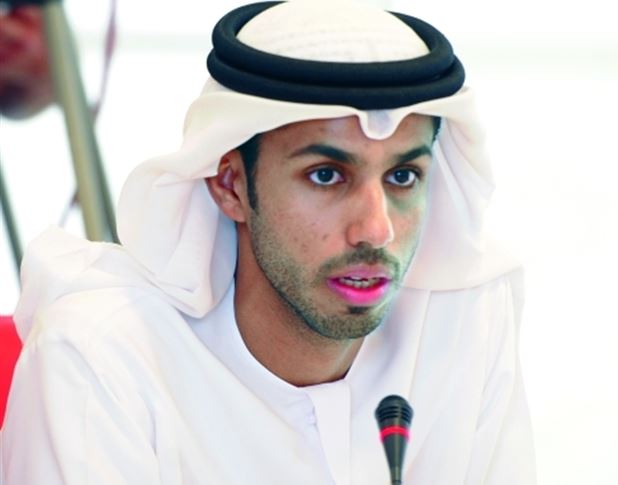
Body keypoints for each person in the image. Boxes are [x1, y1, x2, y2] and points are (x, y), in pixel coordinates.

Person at [1, 1, 536, 483]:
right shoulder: (104, 360)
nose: (377, 230)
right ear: (231, 185)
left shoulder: (468, 318)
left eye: (402, 177)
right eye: (326, 175)